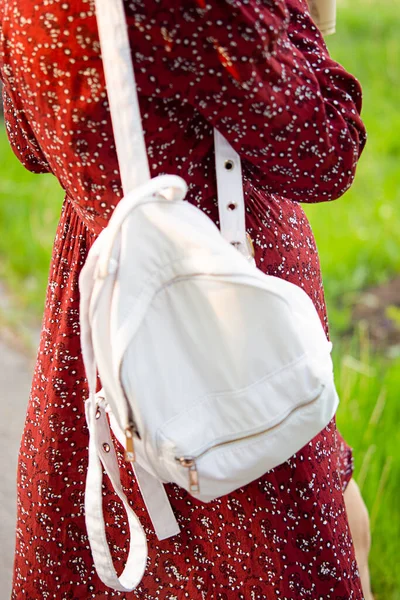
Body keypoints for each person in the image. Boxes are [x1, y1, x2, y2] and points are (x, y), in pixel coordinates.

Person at [0, 0, 372, 597]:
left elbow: (29, 140)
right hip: (226, 334)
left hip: (103, 321)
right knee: (272, 557)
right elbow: (325, 149)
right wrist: (299, 13)